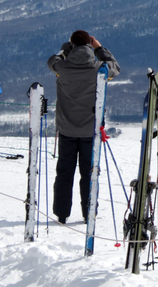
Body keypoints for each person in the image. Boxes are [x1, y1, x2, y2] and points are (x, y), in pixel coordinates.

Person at [48, 30, 120, 223]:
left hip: (66, 129)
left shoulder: (61, 67)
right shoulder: (99, 68)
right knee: (89, 173)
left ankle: (62, 214)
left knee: (64, 172)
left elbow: (51, 60)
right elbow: (115, 67)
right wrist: (99, 48)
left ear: (72, 45)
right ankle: (89, 212)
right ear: (89, 44)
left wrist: (65, 50)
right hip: (91, 130)